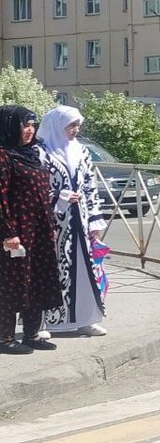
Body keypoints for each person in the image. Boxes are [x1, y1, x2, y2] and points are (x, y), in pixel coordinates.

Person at [38, 106, 108, 337]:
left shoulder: (81, 151)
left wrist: (95, 221)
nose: (75, 130)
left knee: (85, 269)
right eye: (71, 125)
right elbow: (35, 187)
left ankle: (86, 319)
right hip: (53, 223)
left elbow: (90, 186)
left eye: (77, 125)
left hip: (80, 220)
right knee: (53, 269)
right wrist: (59, 197)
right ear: (57, 125)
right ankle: (46, 322)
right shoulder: (41, 152)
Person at [0, 106, 61, 354]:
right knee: (11, 283)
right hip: (17, 231)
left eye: (32, 125)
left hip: (39, 230)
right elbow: (1, 198)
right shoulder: (4, 156)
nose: (29, 131)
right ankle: (4, 338)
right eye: (24, 125)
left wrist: (50, 225)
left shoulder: (31, 154)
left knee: (36, 279)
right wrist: (8, 233)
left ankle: (31, 334)